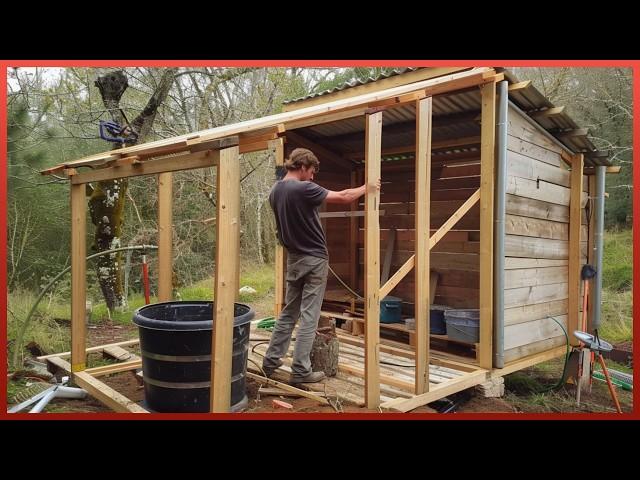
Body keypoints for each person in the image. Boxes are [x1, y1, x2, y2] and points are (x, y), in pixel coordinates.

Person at [262, 147, 380, 384]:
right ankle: (301, 370)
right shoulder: (303, 188)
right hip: (314, 259)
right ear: (303, 166)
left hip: (294, 259)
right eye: (312, 171)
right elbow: (345, 196)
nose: (313, 177)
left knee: (288, 314)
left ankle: (270, 363)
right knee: (309, 317)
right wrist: (367, 188)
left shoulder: (275, 190)